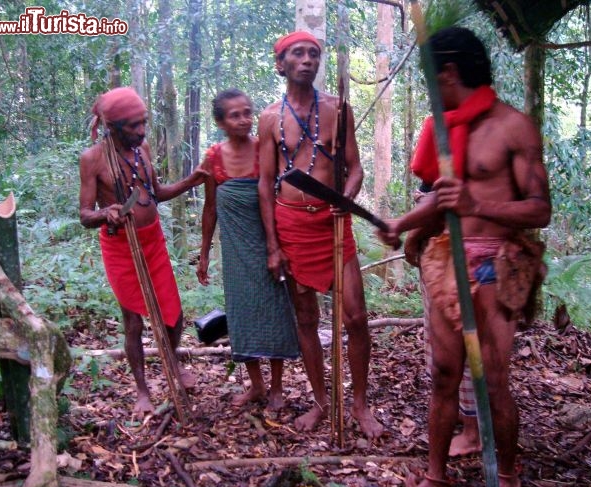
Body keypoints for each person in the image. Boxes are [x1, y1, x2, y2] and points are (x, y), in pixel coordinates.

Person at [378, 27, 550, 487]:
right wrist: (403, 223)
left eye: (434, 80)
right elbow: (444, 199)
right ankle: (436, 478)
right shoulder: (447, 129)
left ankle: (509, 477)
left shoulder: (514, 127)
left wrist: (478, 205)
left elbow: (540, 210)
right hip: (448, 263)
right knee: (443, 375)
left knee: (492, 378)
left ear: (450, 73)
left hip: (498, 263)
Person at [257, 31, 384, 438]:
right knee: (306, 319)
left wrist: (347, 196)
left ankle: (360, 404)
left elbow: (356, 168)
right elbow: (264, 184)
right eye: (298, 53)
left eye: (314, 53)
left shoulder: (337, 110)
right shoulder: (268, 118)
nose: (308, 59)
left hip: (333, 225)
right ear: (281, 64)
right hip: (291, 226)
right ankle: (320, 401)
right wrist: (273, 246)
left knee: (357, 317)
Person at [79, 87, 207, 415]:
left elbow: (156, 193)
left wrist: (192, 181)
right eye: (133, 126)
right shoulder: (92, 159)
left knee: (173, 314)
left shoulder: (143, 149)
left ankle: (173, 362)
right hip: (121, 246)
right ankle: (142, 391)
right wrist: (105, 213)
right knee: (133, 321)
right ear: (113, 127)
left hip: (153, 240)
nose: (140, 131)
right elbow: (84, 214)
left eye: (143, 123)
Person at [196, 89, 299, 411]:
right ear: (220, 121)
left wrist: (281, 246)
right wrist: (204, 253)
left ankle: (278, 388)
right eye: (234, 115)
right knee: (242, 316)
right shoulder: (213, 158)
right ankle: (257, 386)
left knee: (276, 313)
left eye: (246, 113)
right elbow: (210, 208)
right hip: (236, 252)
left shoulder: (264, 150)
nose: (243, 120)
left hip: (270, 245)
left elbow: (282, 195)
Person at [405, 187, 481, 459]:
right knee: (440, 341)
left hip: (461, 238)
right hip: (437, 236)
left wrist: (412, 229)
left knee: (465, 338)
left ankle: (474, 431)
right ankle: (463, 414)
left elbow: (453, 190)